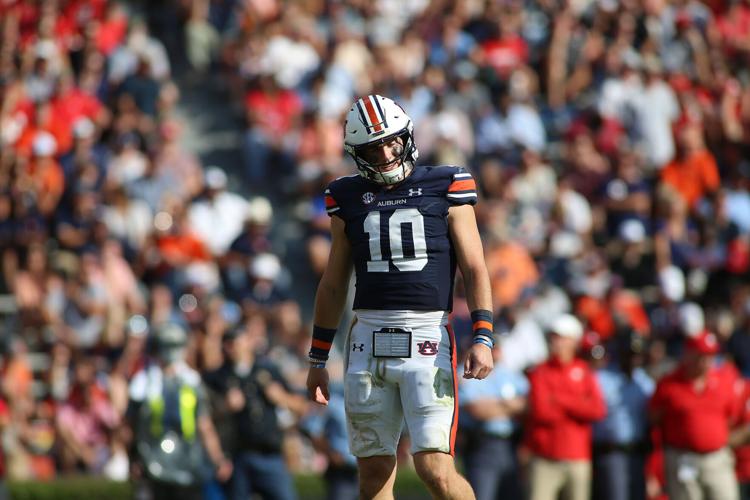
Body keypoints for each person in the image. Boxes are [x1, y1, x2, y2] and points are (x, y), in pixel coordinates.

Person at [305, 94, 494, 500]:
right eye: (374, 147)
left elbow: (475, 266)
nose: (388, 153)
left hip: (427, 337)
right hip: (366, 341)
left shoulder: (447, 182)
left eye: (392, 141)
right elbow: (333, 283)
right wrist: (318, 357)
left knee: (434, 468)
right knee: (373, 474)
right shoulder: (345, 195)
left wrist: (483, 336)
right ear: (358, 154)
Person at [203, 323, 308, 500]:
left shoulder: (267, 370)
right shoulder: (217, 377)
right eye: (227, 343)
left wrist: (280, 397)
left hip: (270, 455)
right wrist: (224, 407)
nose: (231, 348)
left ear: (248, 342)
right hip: (237, 456)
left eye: (236, 342)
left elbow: (302, 406)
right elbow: (204, 417)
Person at [128, 322, 232, 500]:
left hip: (188, 461)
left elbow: (203, 424)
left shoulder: (191, 381)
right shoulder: (143, 383)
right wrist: (134, 458)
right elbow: (132, 425)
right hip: (153, 462)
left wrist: (218, 458)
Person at [649, 330, 741, 500]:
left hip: (716, 459)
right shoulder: (669, 384)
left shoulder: (723, 380)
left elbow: (731, 417)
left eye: (711, 355)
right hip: (682, 459)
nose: (706, 361)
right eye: (701, 355)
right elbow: (655, 419)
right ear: (688, 355)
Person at [525, 313, 607, 500]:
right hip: (545, 456)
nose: (556, 342)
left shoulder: (584, 372)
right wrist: (578, 404)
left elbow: (597, 409)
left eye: (561, 337)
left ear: (573, 341)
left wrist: (560, 400)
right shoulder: (541, 372)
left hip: (577, 458)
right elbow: (541, 412)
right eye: (554, 337)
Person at [458, 336, 528, 500]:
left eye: (496, 348)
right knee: (482, 494)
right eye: (490, 348)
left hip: (511, 445)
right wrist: (509, 405)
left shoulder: (510, 373)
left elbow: (527, 405)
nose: (494, 352)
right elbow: (477, 409)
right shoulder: (466, 372)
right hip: (481, 445)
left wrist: (493, 404)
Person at [591, 330, 655, 500]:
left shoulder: (644, 382)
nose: (634, 360)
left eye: (637, 355)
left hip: (638, 453)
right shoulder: (601, 379)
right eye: (630, 354)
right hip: (611, 451)